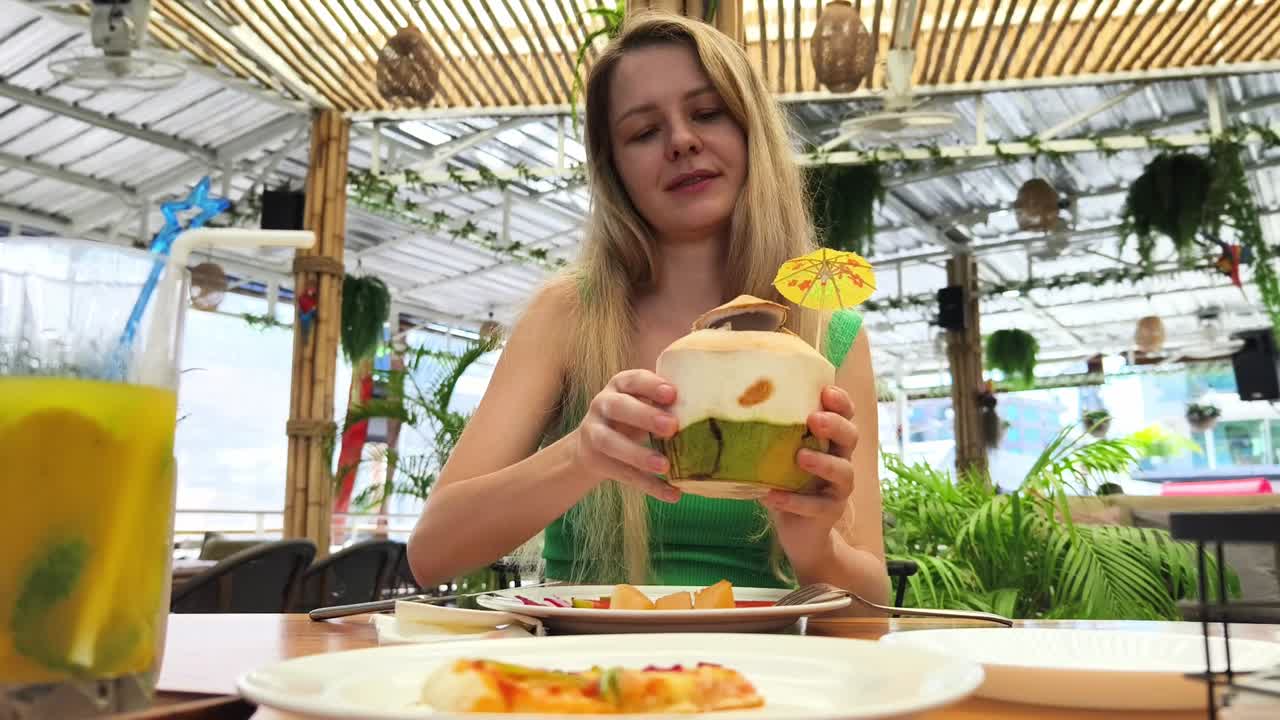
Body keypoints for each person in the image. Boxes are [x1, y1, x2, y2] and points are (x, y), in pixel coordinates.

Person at [407, 11, 887, 606]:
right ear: (615, 171)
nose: (682, 140)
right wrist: (581, 456)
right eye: (642, 132)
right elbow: (431, 552)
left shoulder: (828, 333)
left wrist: (818, 545)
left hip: (763, 680)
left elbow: (871, 611)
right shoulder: (568, 315)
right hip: (582, 676)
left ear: (752, 132)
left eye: (707, 113)